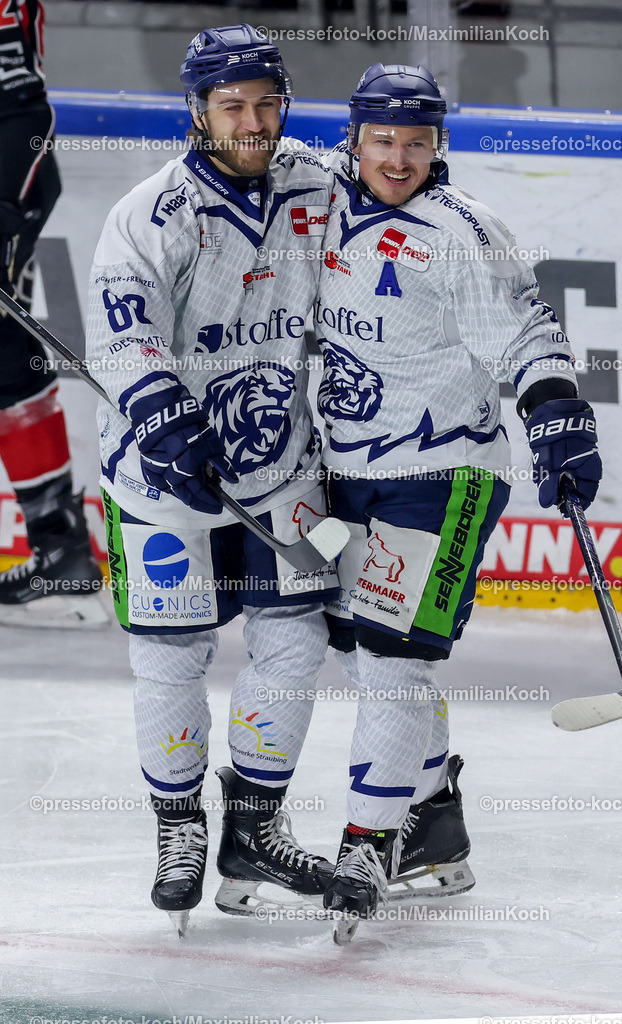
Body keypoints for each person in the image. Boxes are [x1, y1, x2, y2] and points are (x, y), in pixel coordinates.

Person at [315, 63, 602, 920]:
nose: (397, 159)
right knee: (358, 652)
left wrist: (557, 415)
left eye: (416, 141)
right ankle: (433, 820)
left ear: (438, 144)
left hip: (442, 480)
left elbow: (528, 335)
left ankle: (366, 848)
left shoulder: (464, 232)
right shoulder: (315, 201)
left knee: (395, 658)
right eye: (382, 140)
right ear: (354, 139)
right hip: (343, 477)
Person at [85, 24, 341, 934]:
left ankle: (255, 827)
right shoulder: (150, 213)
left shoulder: (319, 181)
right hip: (161, 473)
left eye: (268, 101)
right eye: (233, 104)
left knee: (295, 636)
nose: (254, 119)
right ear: (197, 110)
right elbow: (122, 331)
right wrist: (161, 412)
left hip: (283, 466)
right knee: (170, 652)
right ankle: (178, 824)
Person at [0, 0, 104, 628]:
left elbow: (23, 106)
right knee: (9, 358)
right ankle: (58, 541)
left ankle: (59, 540)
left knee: (10, 355)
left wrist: (9, 215)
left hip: (10, 163)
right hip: (14, 162)